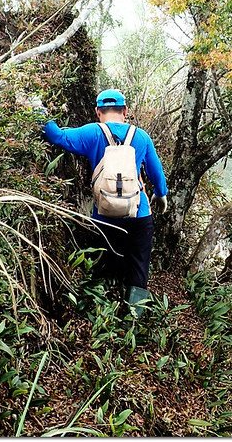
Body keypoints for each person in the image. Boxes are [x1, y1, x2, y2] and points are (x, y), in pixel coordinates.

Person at [39, 88, 168, 316]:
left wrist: (38, 111)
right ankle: (134, 320)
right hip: (139, 213)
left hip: (105, 216)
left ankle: (101, 315)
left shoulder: (92, 133)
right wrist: (161, 194)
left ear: (98, 111)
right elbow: (156, 172)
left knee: (105, 262)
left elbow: (57, 136)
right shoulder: (141, 136)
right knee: (138, 266)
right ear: (125, 111)